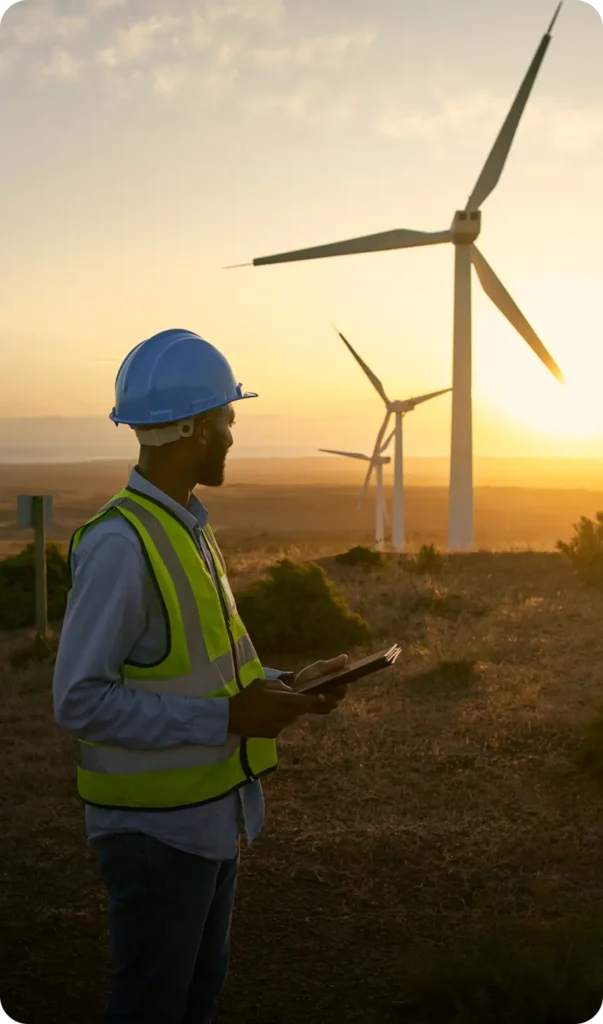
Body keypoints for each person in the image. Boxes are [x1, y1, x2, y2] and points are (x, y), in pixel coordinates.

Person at [52, 328, 348, 1024]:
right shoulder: (121, 544)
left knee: (193, 1000)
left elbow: (206, 666)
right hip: (155, 837)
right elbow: (79, 701)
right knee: (151, 1007)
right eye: (226, 419)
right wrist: (228, 719)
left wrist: (290, 682)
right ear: (189, 428)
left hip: (209, 818)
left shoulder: (186, 527)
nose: (231, 436)